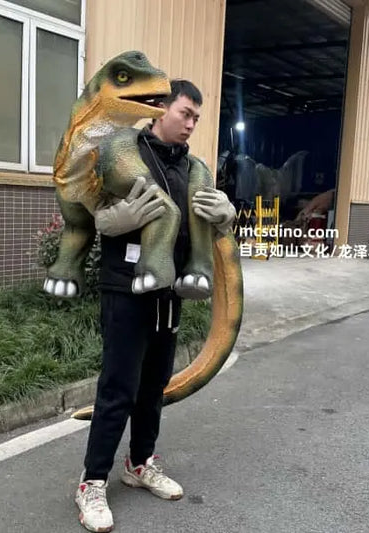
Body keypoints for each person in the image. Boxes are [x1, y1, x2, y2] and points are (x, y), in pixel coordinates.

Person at [75, 80, 236, 533]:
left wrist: (227, 216)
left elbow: (207, 226)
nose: (191, 124)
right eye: (185, 113)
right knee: (118, 388)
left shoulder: (193, 169)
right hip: (126, 289)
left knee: (153, 387)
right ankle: (92, 481)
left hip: (170, 294)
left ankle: (140, 462)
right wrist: (111, 221)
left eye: (196, 118)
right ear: (161, 110)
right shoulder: (123, 153)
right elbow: (88, 207)